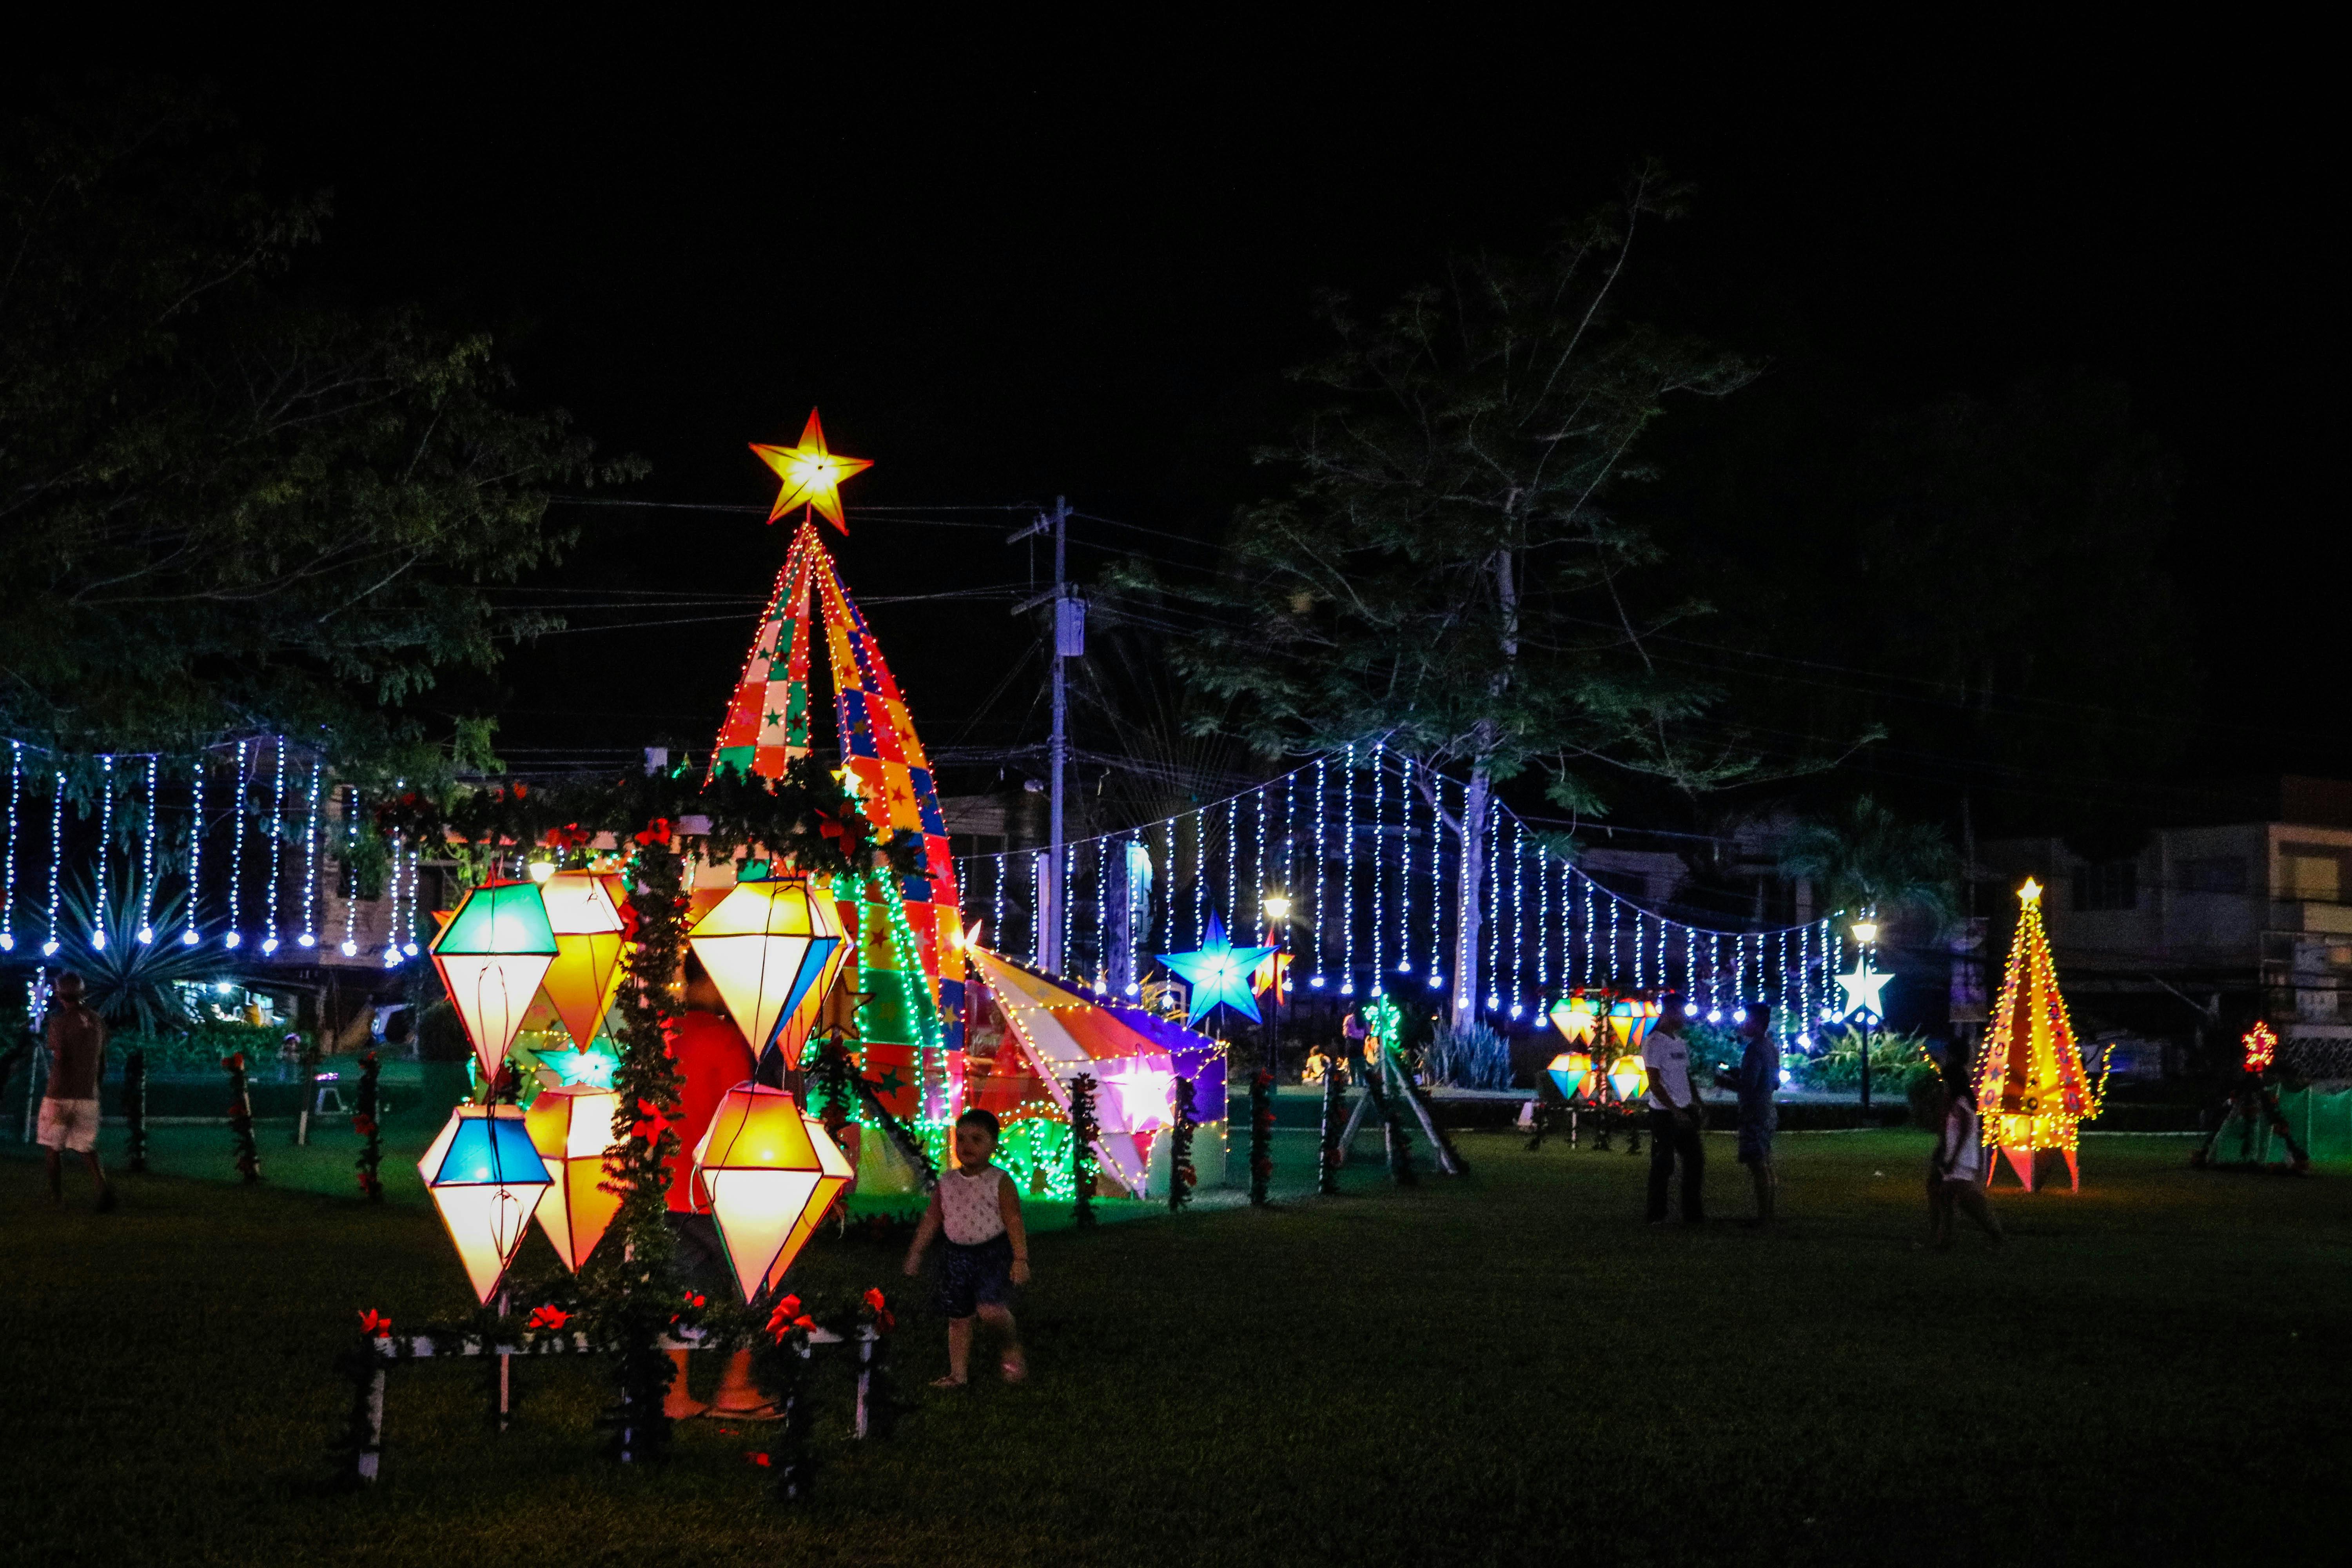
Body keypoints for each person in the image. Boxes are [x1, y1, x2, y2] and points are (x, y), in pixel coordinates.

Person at [661, 952, 761, 1419]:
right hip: (713, 1191)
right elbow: (738, 1116)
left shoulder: (660, 1032)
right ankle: (736, 1386)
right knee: (759, 1282)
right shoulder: (725, 1039)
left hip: (666, 1189)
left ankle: (675, 1393)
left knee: (683, 1291)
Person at [904, 1107, 1031, 1387]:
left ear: (993, 1145)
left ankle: (1010, 1348)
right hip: (956, 1256)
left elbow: (1013, 1220)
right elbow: (934, 1218)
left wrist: (1020, 1258)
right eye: (961, 1139)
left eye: (977, 1139)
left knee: (991, 1310)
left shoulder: (1001, 1181)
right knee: (958, 1317)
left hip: (992, 1254)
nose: (966, 1146)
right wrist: (916, 1252)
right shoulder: (948, 1181)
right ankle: (957, 1375)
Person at [39, 972, 114, 1212]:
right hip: (88, 1095)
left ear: (60, 994)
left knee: (53, 1148)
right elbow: (102, 1061)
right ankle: (102, 1189)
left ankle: (57, 1199)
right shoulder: (98, 1021)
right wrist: (95, 1087)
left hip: (60, 1096)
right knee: (86, 1148)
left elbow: (60, 1058)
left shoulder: (59, 1023)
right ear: (83, 993)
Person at [1927, 1054, 2004, 1250]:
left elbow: (1966, 1131)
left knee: (1968, 1200)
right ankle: (1945, 1239)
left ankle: (1995, 1234)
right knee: (1945, 1195)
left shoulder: (1961, 1102)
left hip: (1962, 1159)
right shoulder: (1957, 1101)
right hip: (1957, 1157)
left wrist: (1953, 1158)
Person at [1642, 1004, 1704, 1224]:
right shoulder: (1654, 1043)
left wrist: (1696, 1102)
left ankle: (1693, 1213)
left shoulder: (1679, 1042)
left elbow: (1685, 1075)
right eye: (1680, 1013)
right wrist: (1674, 1110)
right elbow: (1655, 1083)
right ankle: (1656, 1214)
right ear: (1668, 1014)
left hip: (1685, 1109)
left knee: (1695, 1162)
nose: (1684, 1018)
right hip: (1664, 1114)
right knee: (1663, 1163)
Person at [1733, 1005, 1780, 1225]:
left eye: (1747, 1020)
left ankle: (1764, 1217)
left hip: (1754, 1113)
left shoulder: (1754, 1049)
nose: (1743, 1025)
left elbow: (1748, 1085)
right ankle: (1768, 1213)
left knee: (1758, 1165)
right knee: (1765, 1162)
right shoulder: (1771, 1047)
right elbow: (1775, 1083)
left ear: (1757, 1022)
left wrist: (1724, 1081)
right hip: (1768, 1110)